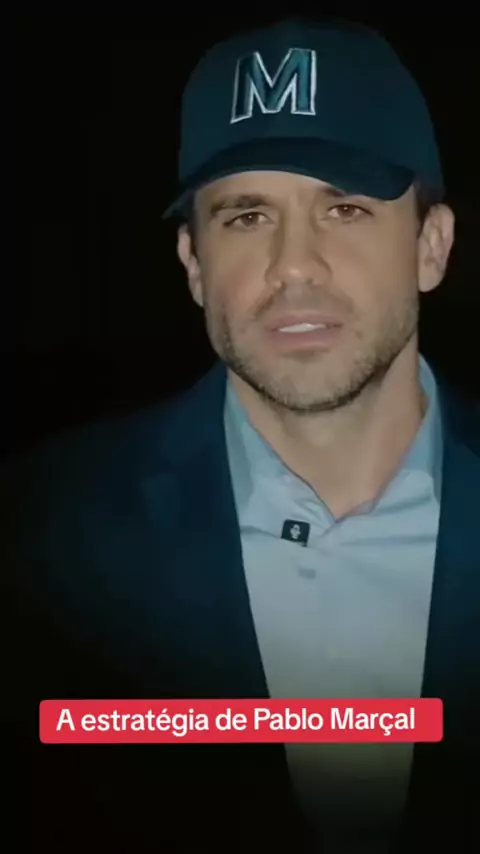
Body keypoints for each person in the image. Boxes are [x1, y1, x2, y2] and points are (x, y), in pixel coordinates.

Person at [5, 15, 480, 854]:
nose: (294, 265)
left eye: (345, 207)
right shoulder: (40, 539)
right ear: (194, 265)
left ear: (431, 247)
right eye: (247, 216)